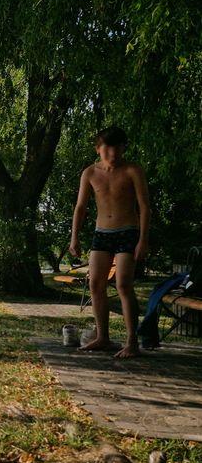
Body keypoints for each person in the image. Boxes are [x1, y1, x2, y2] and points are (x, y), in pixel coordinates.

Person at [69, 126, 151, 358]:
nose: (113, 152)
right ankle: (102, 337)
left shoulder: (132, 170)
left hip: (128, 232)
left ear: (124, 148)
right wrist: (74, 236)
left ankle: (132, 342)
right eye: (107, 148)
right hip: (101, 233)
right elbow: (81, 207)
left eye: (117, 147)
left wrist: (143, 240)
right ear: (98, 149)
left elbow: (145, 207)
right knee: (95, 284)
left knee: (124, 285)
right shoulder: (90, 173)